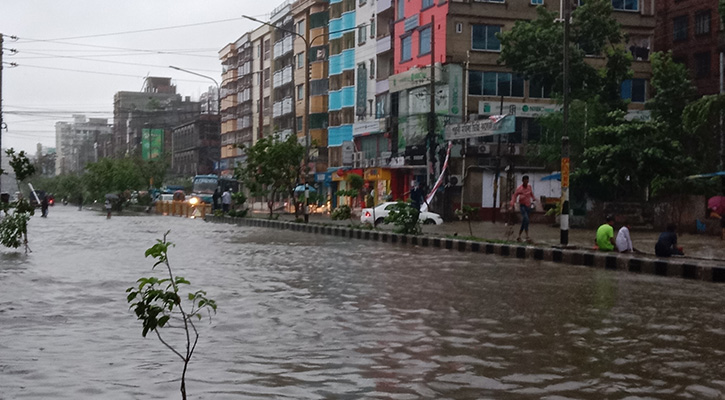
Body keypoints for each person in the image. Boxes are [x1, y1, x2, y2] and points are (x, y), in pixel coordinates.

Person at [510, 175, 536, 242]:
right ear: (522, 181)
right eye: (525, 181)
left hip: (528, 206)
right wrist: (512, 204)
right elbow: (514, 196)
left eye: (527, 181)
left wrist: (534, 198)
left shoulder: (529, 187)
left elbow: (531, 194)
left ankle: (520, 235)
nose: (526, 182)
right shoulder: (520, 188)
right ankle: (526, 235)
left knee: (525, 221)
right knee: (526, 219)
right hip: (522, 206)